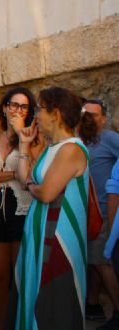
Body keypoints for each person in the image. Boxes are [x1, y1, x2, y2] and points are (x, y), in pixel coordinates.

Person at [10, 87, 92, 329]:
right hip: (40, 231)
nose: (36, 115)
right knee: (35, 293)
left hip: (59, 238)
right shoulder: (53, 146)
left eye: (39, 109)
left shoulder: (71, 149)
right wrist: (24, 145)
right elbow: (25, 178)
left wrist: (33, 186)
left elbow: (44, 193)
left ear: (55, 113)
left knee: (53, 302)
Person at [0, 86, 37, 330]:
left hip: (22, 210)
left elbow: (32, 175)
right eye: (13, 105)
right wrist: (15, 173)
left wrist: (21, 135)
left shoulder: (34, 137)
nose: (17, 110)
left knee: (21, 278)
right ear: (4, 107)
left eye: (23, 106)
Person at [82, 99, 119, 326]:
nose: (88, 118)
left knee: (101, 262)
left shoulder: (110, 139)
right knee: (93, 260)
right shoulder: (79, 139)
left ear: (103, 118)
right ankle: (93, 304)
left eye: (93, 115)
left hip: (104, 212)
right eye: (85, 113)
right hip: (84, 212)